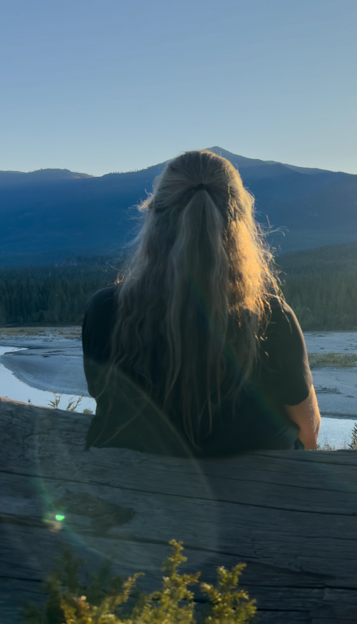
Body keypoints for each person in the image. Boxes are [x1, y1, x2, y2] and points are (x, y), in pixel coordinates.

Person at [81, 150, 320, 456]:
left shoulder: (105, 311)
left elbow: (105, 399)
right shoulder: (271, 318)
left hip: (136, 502)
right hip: (251, 502)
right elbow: (309, 433)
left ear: (154, 217)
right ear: (240, 223)